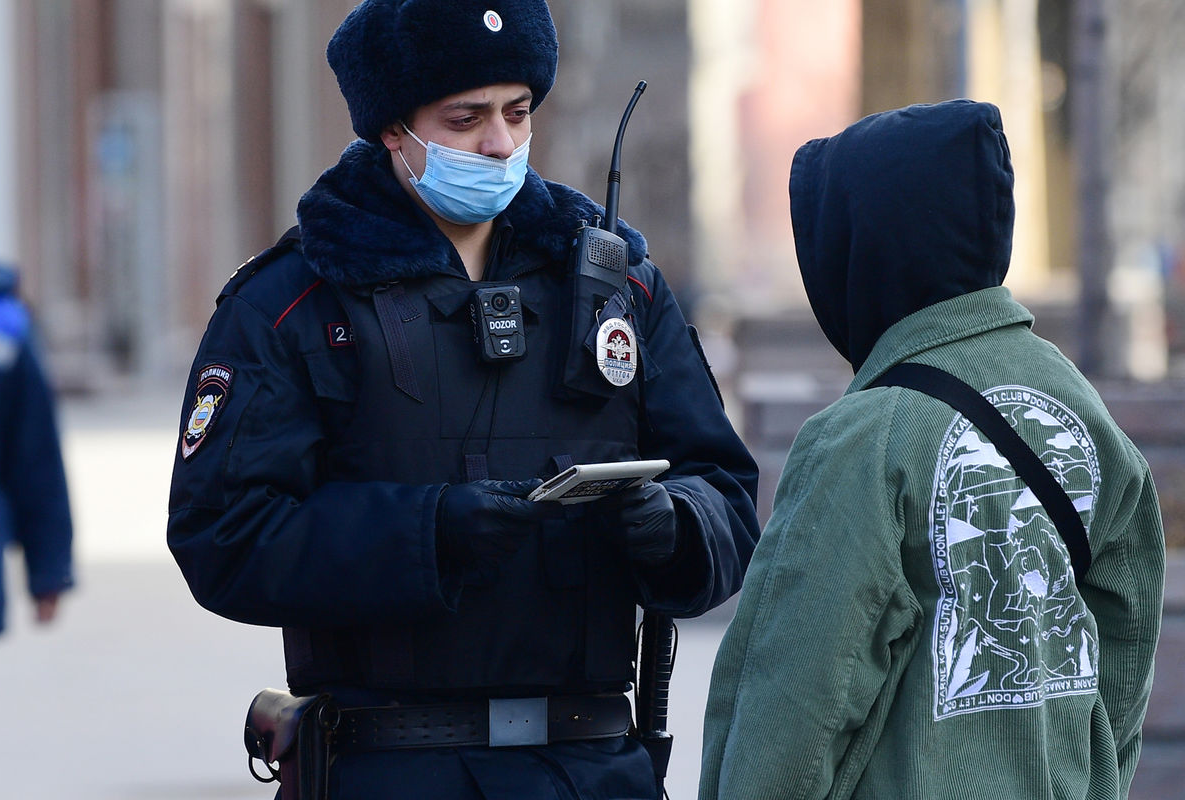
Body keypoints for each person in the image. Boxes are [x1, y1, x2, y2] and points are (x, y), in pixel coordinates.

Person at [166, 1, 759, 798]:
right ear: (391, 129)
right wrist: (427, 534)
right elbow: (223, 535)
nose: (500, 143)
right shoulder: (294, 302)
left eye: (517, 113)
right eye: (465, 117)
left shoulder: (620, 287)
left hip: (590, 769)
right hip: (389, 767)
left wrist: (675, 525)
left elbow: (728, 496)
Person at [699, 100, 1165, 800]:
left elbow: (788, 708)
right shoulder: (1083, 413)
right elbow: (1123, 662)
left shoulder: (862, 439)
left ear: (860, 253)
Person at [0, 261, 73, 645]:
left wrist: (48, 569)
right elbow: (35, 456)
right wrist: (48, 572)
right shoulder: (3, 325)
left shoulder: (1, 324)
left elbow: (33, 455)